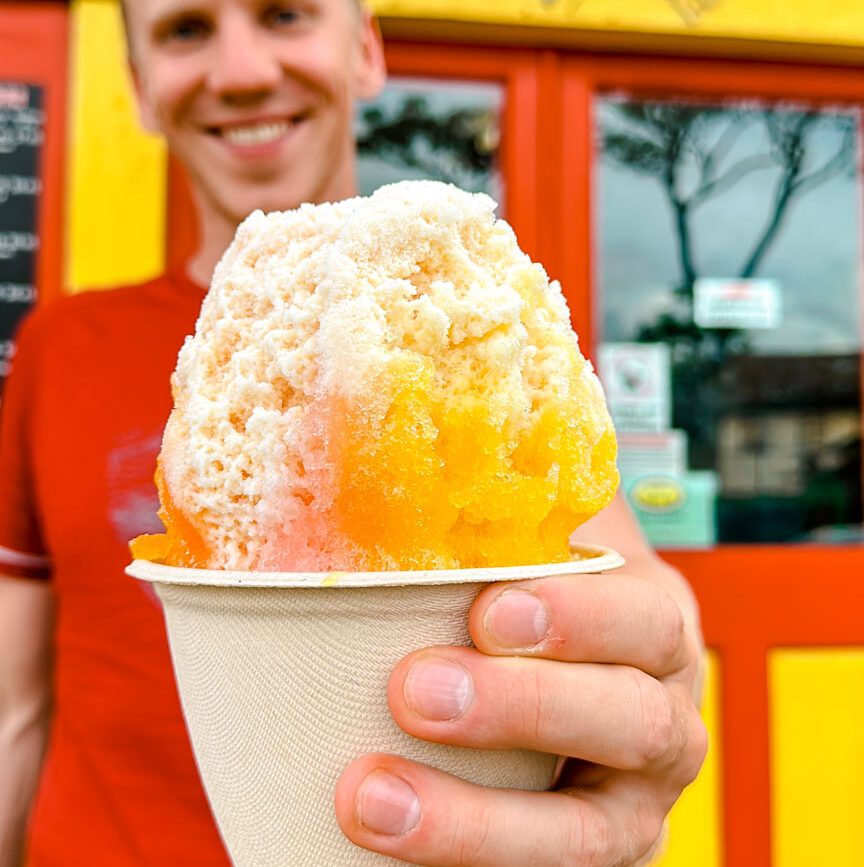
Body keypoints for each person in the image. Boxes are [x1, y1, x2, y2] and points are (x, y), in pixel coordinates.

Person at [0, 0, 707, 864]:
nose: (243, 69)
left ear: (365, 48)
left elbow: (627, 580)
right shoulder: (60, 346)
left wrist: (653, 692)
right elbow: (12, 706)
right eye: (186, 28)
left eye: (285, 14)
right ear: (142, 90)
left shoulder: (465, 338)